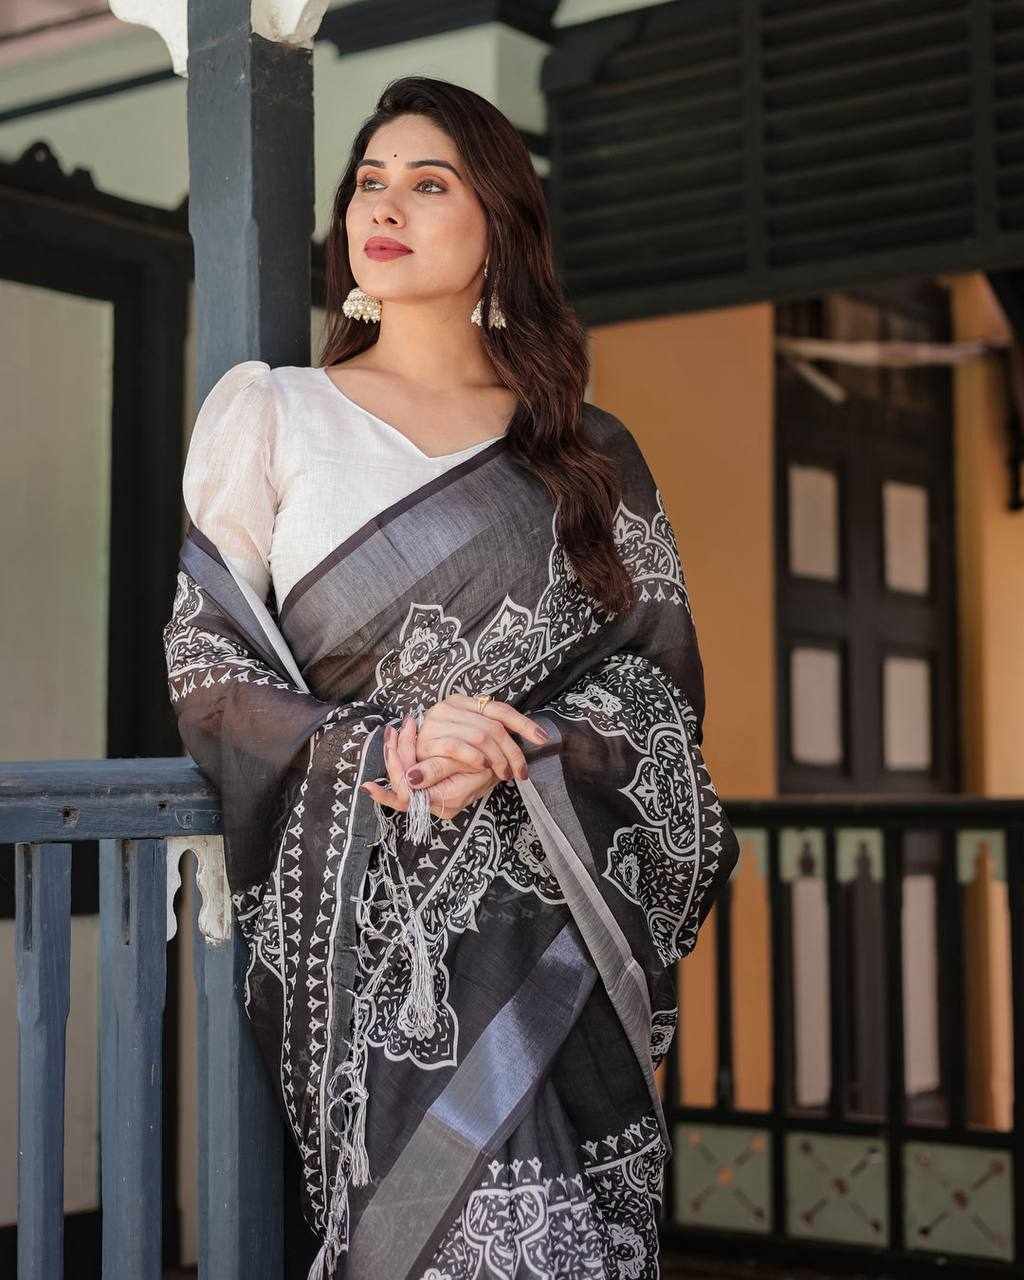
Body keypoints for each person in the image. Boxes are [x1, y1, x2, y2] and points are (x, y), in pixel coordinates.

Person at [163, 74, 739, 1280]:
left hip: (555, 922)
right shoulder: (275, 413)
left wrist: (527, 745)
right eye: (370, 181)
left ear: (499, 229)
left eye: (429, 184)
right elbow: (207, 661)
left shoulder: (587, 451)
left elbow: (657, 694)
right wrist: (389, 746)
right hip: (373, 920)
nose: (385, 206)